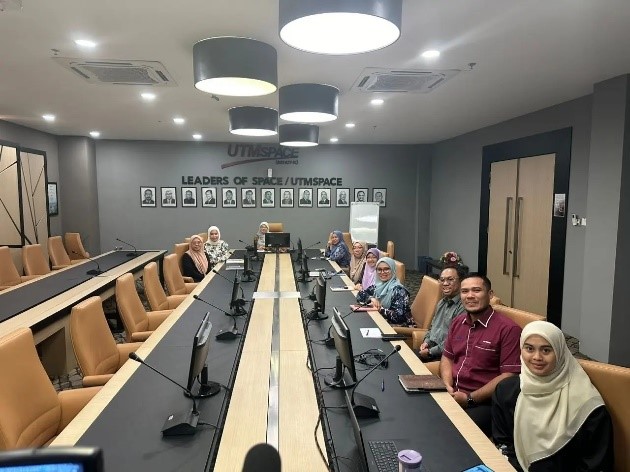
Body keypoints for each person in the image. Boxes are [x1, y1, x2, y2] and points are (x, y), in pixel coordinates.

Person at [492, 321, 613, 471]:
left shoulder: (588, 406)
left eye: (546, 350)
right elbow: (503, 444)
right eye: (529, 348)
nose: (537, 357)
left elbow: (596, 464)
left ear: (560, 352)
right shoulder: (506, 392)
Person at [440, 273, 522, 436]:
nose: (470, 296)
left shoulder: (509, 329)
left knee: (449, 433)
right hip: (453, 393)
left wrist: (470, 398)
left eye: (476, 290)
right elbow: (447, 357)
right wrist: (447, 386)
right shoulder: (458, 322)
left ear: (490, 295)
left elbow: (509, 375)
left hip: (484, 402)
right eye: (465, 291)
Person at [418, 266, 466, 362]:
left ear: (461, 281)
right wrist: (427, 342)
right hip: (432, 349)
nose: (445, 283)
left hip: (447, 357)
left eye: (450, 279)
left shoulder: (464, 306)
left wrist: (430, 352)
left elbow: (456, 340)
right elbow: (432, 327)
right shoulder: (441, 302)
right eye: (442, 280)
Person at [356, 257, 412, 326]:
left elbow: (399, 317)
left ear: (393, 270)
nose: (382, 272)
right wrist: (371, 298)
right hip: (381, 322)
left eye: (386, 269)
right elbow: (360, 295)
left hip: (398, 328)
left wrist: (380, 309)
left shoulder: (399, 290)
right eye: (379, 269)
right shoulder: (377, 286)